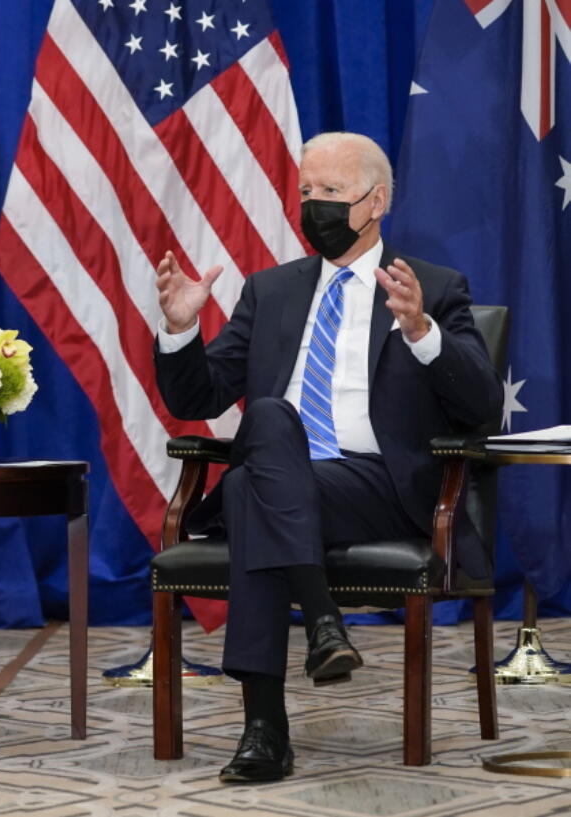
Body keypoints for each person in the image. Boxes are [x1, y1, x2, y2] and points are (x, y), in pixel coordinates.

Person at [152, 132, 502, 783]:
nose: (313, 205)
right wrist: (179, 330)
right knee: (269, 423)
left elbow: (482, 405)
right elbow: (196, 395)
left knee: (255, 481)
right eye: (306, 191)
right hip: (284, 475)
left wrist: (423, 335)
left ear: (376, 202)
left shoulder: (431, 286)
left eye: (331, 193)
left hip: (376, 487)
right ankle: (317, 626)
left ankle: (266, 726)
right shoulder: (271, 292)